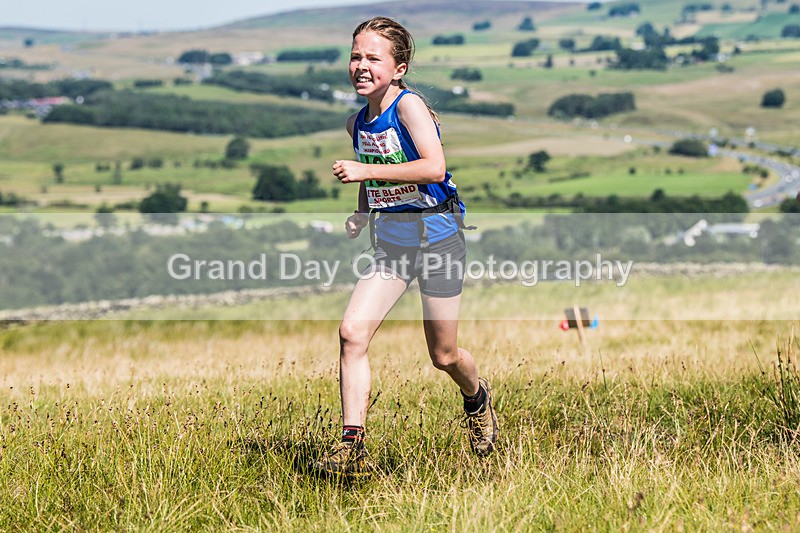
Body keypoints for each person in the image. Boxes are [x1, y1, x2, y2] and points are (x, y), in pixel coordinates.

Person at [315, 16, 498, 477]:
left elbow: (433, 168)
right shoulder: (356, 121)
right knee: (351, 332)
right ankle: (350, 446)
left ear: (398, 67)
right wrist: (362, 208)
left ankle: (476, 398)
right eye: (355, 56)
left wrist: (361, 174)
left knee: (444, 356)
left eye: (372, 58)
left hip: (438, 237)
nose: (360, 65)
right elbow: (375, 165)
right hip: (393, 243)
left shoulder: (410, 106)